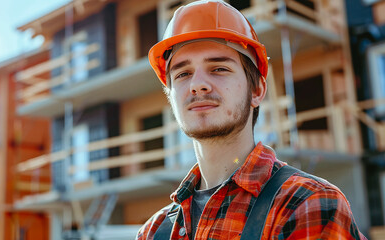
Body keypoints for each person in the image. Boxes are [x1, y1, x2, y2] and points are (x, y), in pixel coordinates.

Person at [137, 0, 367, 239]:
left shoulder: (307, 204)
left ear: (256, 90)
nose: (197, 85)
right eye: (183, 74)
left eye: (219, 68)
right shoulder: (152, 232)